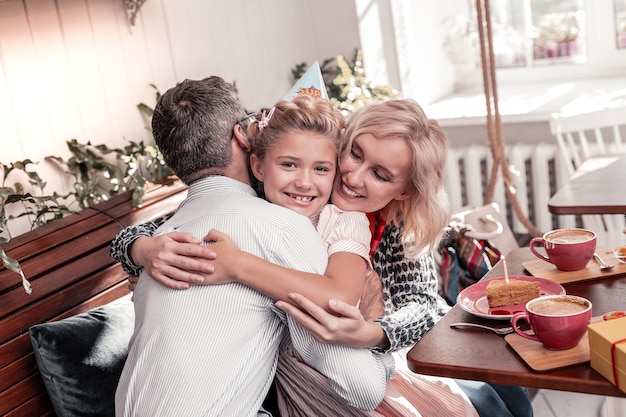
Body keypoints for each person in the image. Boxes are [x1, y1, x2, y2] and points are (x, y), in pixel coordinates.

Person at [111, 98, 532, 416]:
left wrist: (373, 332)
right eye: (354, 154)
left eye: (380, 175)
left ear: (403, 191)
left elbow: (425, 306)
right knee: (485, 403)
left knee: (505, 391)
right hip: (317, 365)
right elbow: (196, 213)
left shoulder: (394, 224)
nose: (352, 176)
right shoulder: (289, 189)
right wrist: (141, 247)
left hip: (375, 345)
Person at [113, 76, 394, 417]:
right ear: (244, 140)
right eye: (288, 163)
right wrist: (379, 337)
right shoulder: (282, 226)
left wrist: (139, 250)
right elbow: (361, 388)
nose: (304, 180)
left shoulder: (167, 236)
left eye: (320, 168)